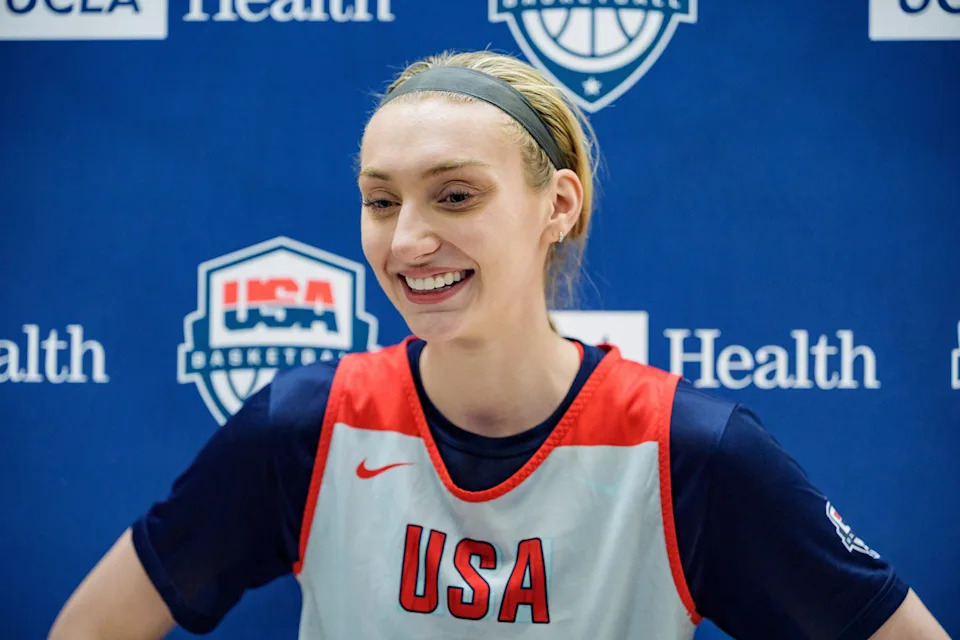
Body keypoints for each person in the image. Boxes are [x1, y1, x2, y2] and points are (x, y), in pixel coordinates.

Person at [49, 51, 949, 640]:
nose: (404, 244)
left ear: (557, 205)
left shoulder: (688, 451)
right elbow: (88, 629)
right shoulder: (304, 426)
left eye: (454, 196)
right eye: (379, 200)